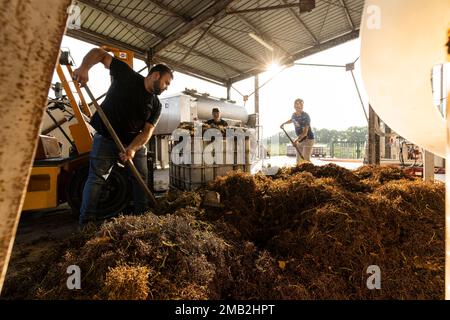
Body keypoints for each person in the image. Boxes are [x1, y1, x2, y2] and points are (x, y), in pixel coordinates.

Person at [72, 47, 173, 227]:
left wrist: (132, 149)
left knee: (140, 178)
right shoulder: (126, 74)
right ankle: (86, 222)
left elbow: (147, 131)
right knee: (97, 178)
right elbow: (99, 53)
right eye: (166, 83)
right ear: (156, 76)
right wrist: (84, 68)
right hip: (106, 137)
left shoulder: (156, 105)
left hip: (133, 142)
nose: (166, 88)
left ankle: (143, 218)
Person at [280, 98, 315, 163]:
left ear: (302, 106)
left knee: (305, 158)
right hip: (300, 139)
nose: (299, 107)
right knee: (298, 160)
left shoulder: (305, 116)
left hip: (308, 139)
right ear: (294, 106)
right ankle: (299, 172)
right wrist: (284, 123)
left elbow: (305, 133)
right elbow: (292, 120)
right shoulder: (294, 115)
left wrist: (296, 140)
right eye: (297, 105)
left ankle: (310, 172)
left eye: (300, 105)